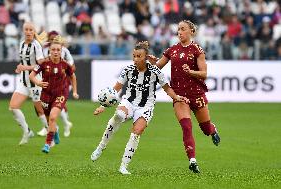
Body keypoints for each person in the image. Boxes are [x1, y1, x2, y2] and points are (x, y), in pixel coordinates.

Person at [90, 41, 188, 175]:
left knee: (137, 131)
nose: (135, 59)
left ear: (146, 57)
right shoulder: (128, 70)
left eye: (139, 56)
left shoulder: (155, 71)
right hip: (129, 102)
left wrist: (176, 97)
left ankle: (123, 166)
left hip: (146, 106)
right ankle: (101, 147)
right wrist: (103, 106)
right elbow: (115, 89)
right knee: (118, 115)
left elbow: (167, 88)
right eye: (134, 56)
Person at [148, 20, 221, 173]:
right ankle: (192, 160)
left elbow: (204, 74)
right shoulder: (172, 50)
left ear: (191, 32)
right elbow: (157, 68)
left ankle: (213, 130)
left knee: (205, 129)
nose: (179, 32)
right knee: (186, 127)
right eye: (178, 29)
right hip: (179, 96)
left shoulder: (197, 50)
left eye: (183, 29)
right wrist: (151, 63)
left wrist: (191, 72)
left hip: (197, 94)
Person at [29, 35, 79, 153]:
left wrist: (75, 91)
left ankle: (47, 144)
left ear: (61, 51)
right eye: (53, 50)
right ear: (49, 50)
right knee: (49, 121)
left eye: (58, 50)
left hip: (61, 94)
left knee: (52, 117)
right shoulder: (43, 63)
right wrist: (39, 82)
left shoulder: (65, 64)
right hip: (46, 95)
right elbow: (32, 75)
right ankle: (55, 131)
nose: (56, 52)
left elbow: (72, 76)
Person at [8, 22, 48, 145]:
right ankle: (27, 132)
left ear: (34, 31)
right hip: (24, 82)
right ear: (23, 31)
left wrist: (25, 68)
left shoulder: (36, 45)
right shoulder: (21, 44)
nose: (28, 32)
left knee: (40, 111)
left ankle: (51, 131)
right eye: (26, 29)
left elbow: (42, 64)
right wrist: (19, 67)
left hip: (35, 82)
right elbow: (23, 63)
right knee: (13, 107)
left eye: (31, 29)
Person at [37, 30, 75, 137]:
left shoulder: (64, 51)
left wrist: (63, 67)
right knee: (50, 105)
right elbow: (42, 63)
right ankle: (64, 124)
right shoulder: (45, 49)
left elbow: (72, 65)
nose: (53, 39)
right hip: (48, 81)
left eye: (55, 37)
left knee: (56, 104)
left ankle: (52, 127)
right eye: (51, 37)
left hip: (63, 81)